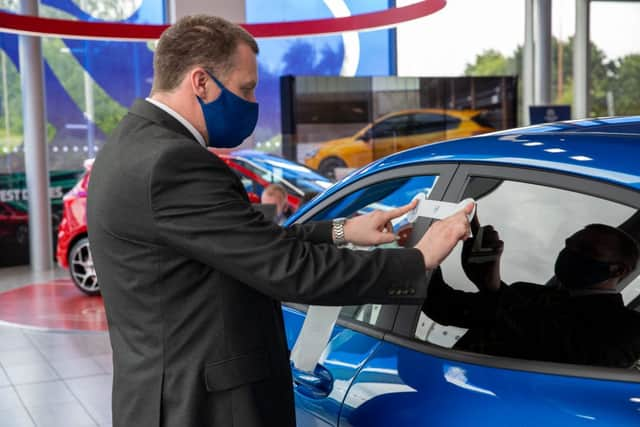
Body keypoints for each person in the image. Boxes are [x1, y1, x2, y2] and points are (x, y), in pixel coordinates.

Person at [86, 15, 473, 427]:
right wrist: (419, 260)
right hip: (204, 408)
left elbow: (241, 243)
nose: (253, 103)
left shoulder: (130, 145)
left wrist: (343, 231)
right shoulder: (174, 163)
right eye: (246, 88)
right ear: (200, 82)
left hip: (160, 397)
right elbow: (289, 270)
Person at [424, 221, 640, 369]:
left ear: (618, 270)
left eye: (585, 250)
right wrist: (425, 256)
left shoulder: (628, 330)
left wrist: (492, 288)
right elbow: (445, 307)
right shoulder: (526, 293)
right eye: (569, 245)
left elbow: (559, 351)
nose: (570, 254)